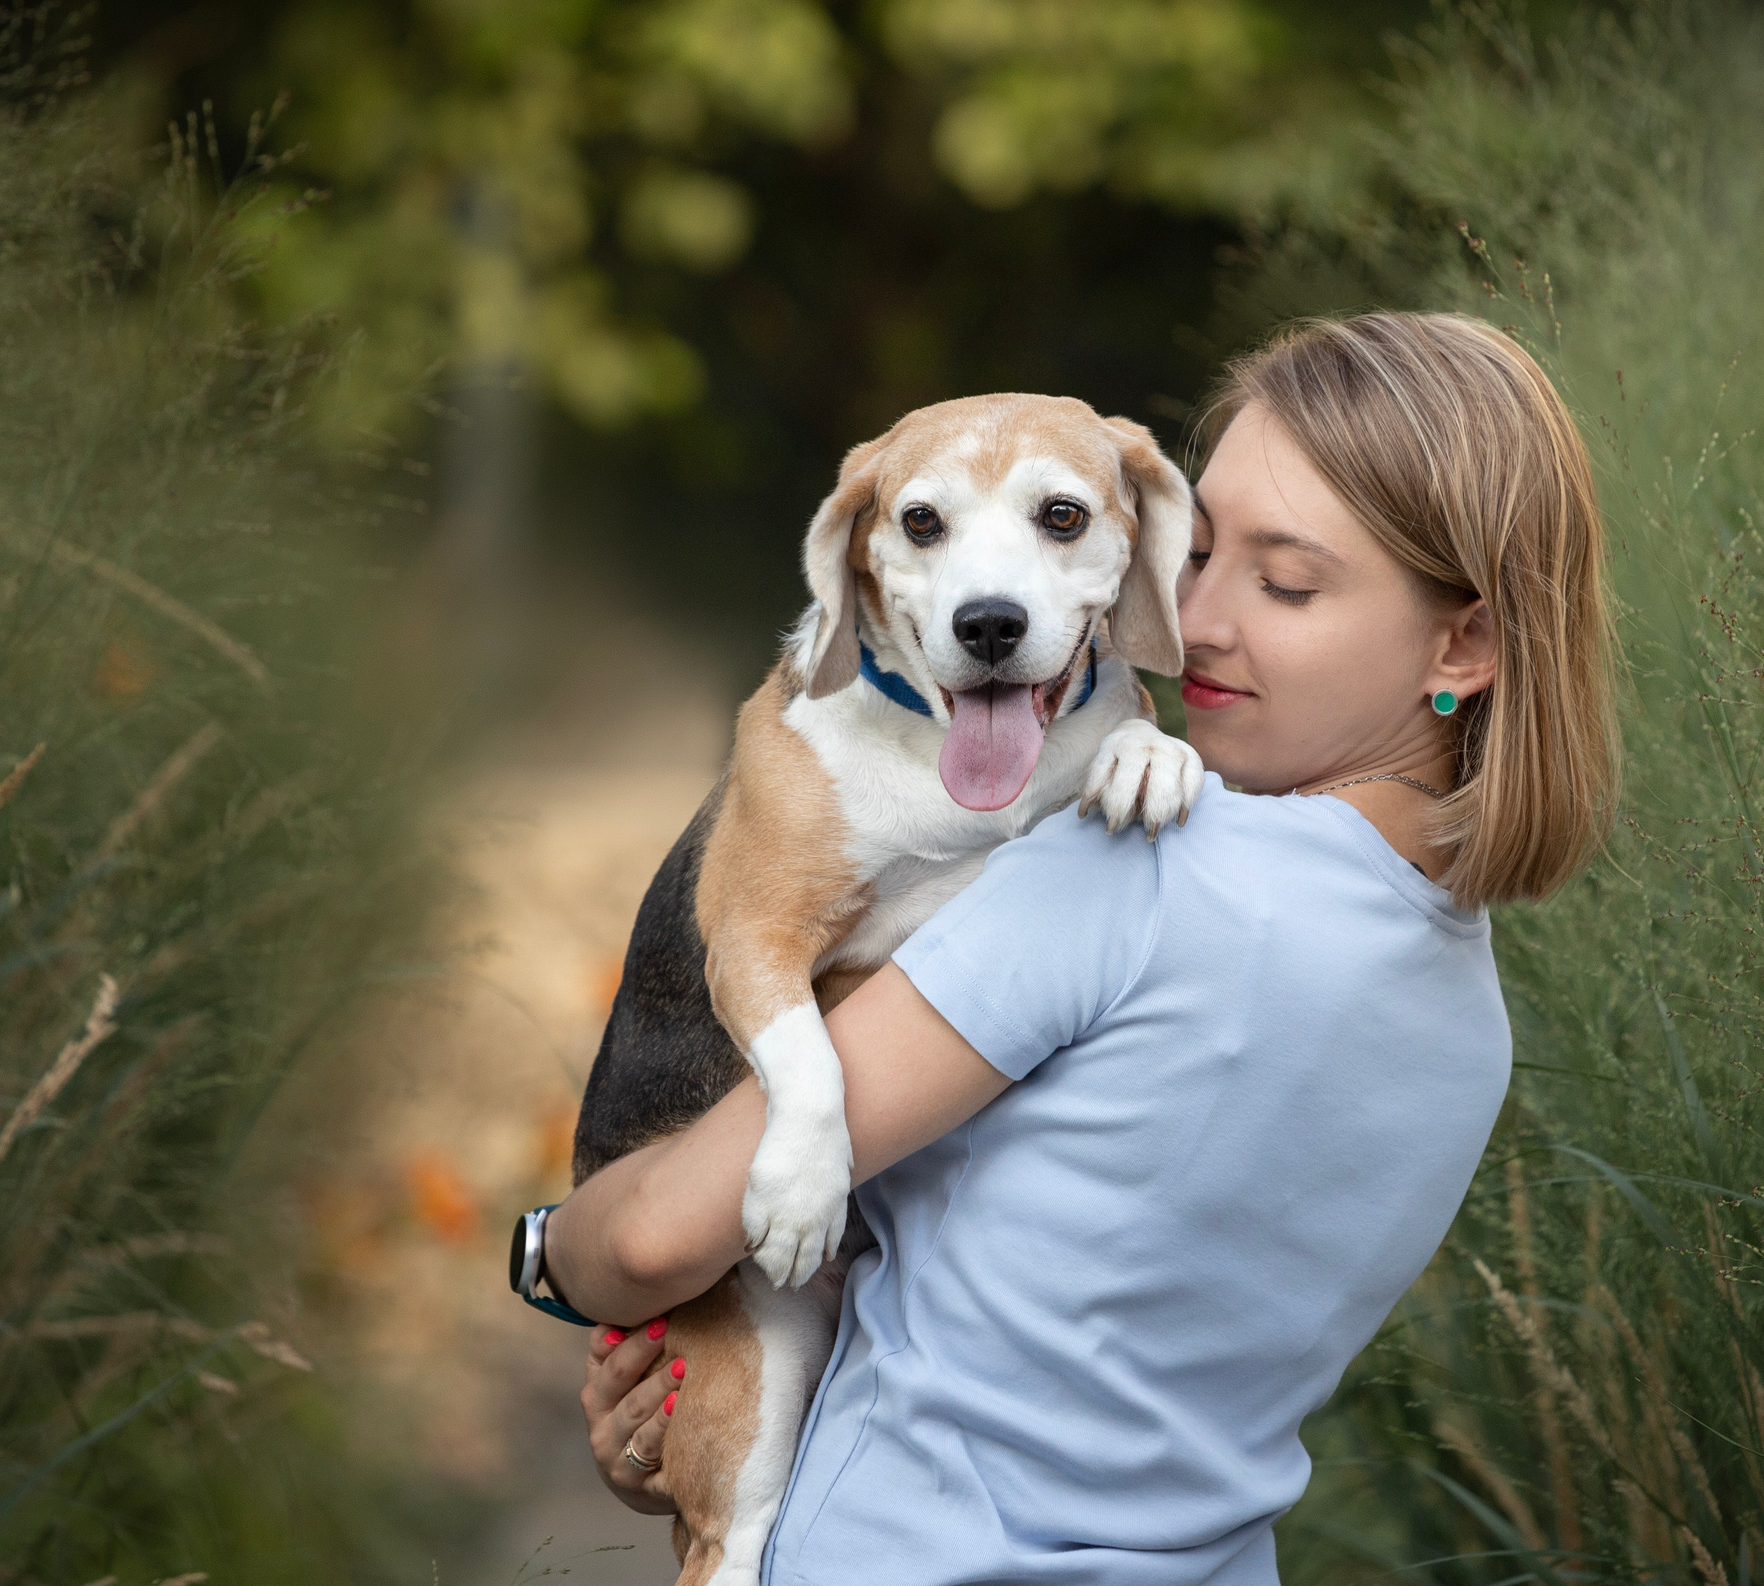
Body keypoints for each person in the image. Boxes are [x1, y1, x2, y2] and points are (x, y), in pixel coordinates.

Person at [543, 312, 1618, 1585]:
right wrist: (709, 1405)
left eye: (1284, 583)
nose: (1197, 620)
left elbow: (658, 1239)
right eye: (1197, 552)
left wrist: (557, 1262)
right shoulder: (1467, 1016)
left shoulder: (1134, 867)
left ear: (1465, 644)